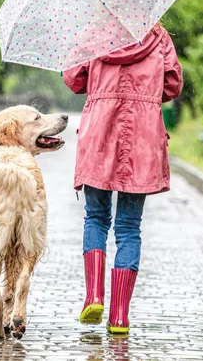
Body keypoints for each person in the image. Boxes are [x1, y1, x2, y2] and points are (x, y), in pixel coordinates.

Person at [63, 23, 183, 334]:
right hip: (142, 137)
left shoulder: (93, 32)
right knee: (129, 227)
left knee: (96, 217)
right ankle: (119, 316)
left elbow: (74, 80)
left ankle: (93, 295)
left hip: (100, 132)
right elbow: (172, 87)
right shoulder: (158, 37)